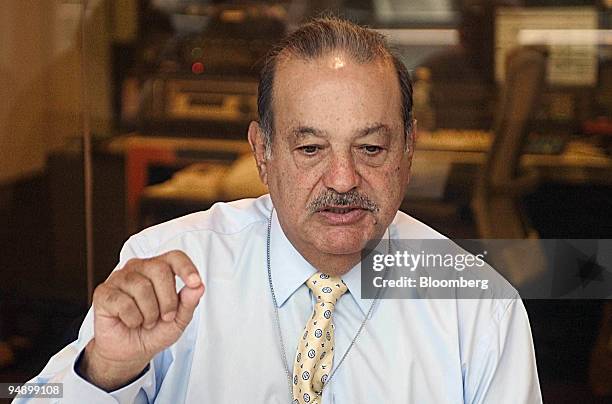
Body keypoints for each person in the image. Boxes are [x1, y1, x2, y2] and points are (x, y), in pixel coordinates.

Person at [17, 17, 541, 403]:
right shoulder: (168, 266)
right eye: (310, 149)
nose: (342, 180)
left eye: (372, 149)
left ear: (407, 150)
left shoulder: (478, 307)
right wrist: (107, 368)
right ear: (262, 151)